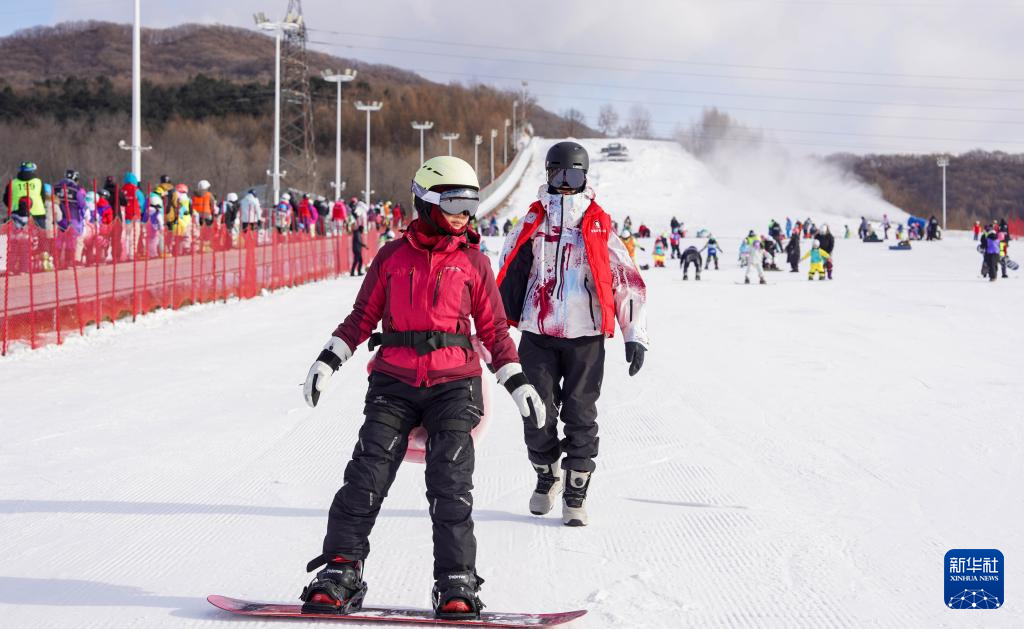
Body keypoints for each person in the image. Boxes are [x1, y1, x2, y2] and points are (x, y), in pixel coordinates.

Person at [298, 155, 543, 620]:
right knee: (365, 476)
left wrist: (517, 382)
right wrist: (329, 358)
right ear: (427, 202)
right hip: (393, 382)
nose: (464, 214)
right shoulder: (392, 257)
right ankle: (341, 570)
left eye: (470, 204)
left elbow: (494, 331)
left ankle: (456, 579)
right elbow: (362, 316)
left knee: (450, 484)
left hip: (455, 385)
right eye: (453, 203)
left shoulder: (473, 262)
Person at [497, 141, 649, 527]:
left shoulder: (598, 226)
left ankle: (576, 490)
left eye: (574, 176)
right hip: (538, 330)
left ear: (585, 178)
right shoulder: (531, 222)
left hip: (585, 335)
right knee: (536, 409)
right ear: (548, 175)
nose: (566, 184)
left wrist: (635, 333)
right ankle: (547, 474)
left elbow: (625, 278)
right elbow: (507, 266)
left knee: (581, 412)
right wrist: (496, 324)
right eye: (559, 175)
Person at [4, 161, 46, 229]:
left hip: (17, 216)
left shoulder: (12, 183)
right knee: (39, 235)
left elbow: (6, 199)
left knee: (18, 235)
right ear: (32, 171)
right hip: (37, 215)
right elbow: (43, 197)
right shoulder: (39, 182)